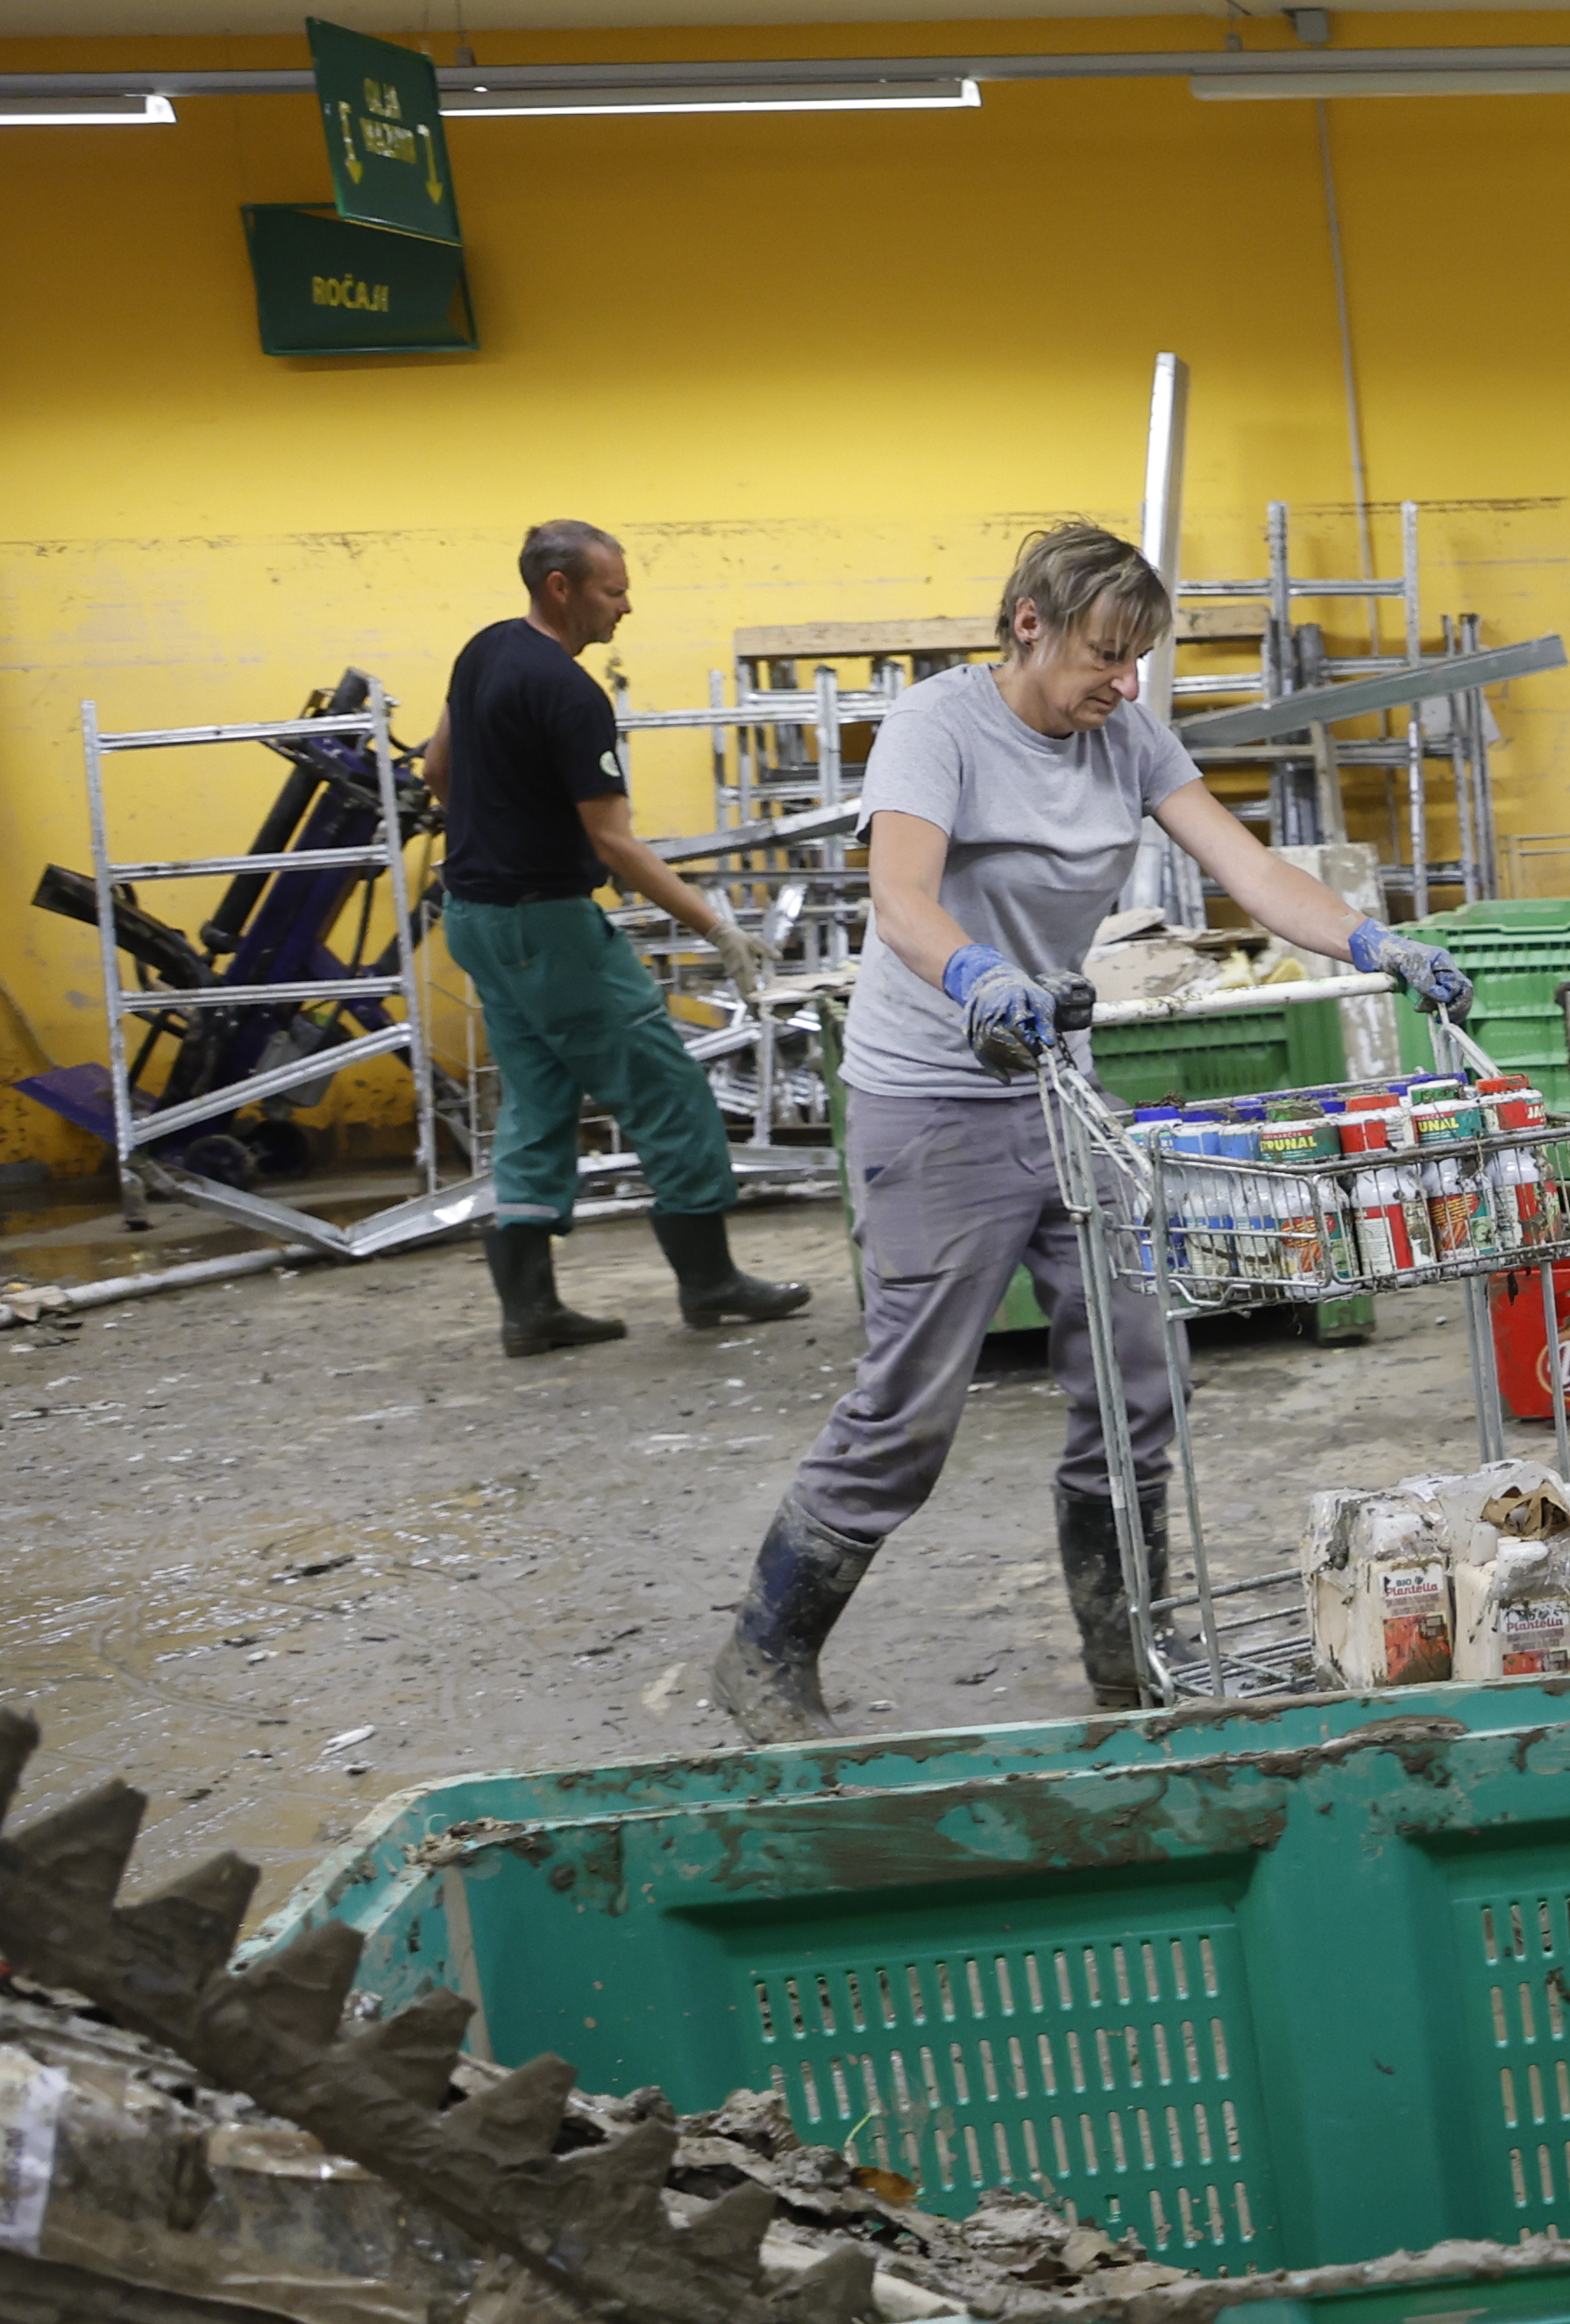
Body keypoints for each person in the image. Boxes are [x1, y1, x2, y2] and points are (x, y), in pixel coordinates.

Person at [707, 519, 1482, 1743]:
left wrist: (1372, 941)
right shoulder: (938, 727)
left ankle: (1127, 1652)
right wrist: (975, 977)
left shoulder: (1124, 733)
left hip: (1062, 1095)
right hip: (934, 1100)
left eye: (1139, 662)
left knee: (1137, 1377)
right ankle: (766, 1650)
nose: (1124, 685)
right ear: (1031, 625)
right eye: (1106, 657)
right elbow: (901, 898)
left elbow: (1247, 868)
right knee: (909, 1409)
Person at [435, 520, 809, 1353]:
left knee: (536, 1099)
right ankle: (710, 1282)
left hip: (474, 917)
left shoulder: (481, 651)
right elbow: (613, 841)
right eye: (613, 590)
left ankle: (529, 1311)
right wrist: (718, 927)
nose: (627, 606)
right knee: (666, 1088)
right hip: (549, 924)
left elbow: (435, 772)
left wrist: (498, 821)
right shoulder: (570, 694)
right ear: (560, 587)